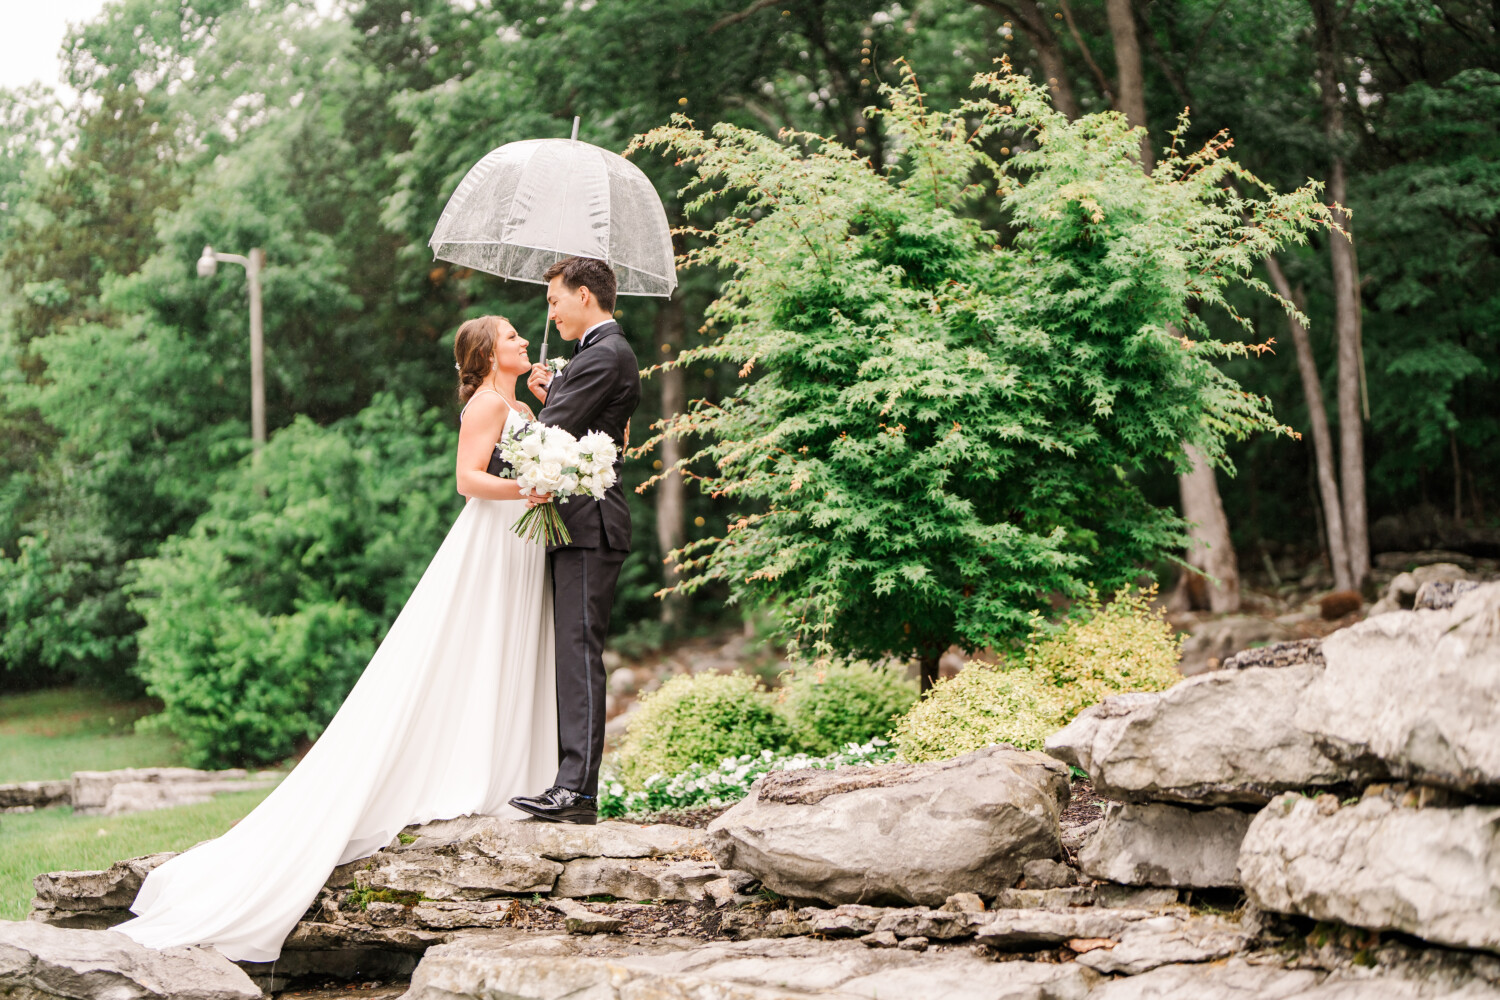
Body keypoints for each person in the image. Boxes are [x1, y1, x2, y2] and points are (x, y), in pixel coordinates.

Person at [113, 315, 558, 963]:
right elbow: (468, 481)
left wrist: (543, 414)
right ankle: (471, 771)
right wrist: (530, 488)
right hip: (490, 543)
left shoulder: (516, 402)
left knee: (508, 652)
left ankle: (511, 769)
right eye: (513, 336)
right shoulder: (486, 404)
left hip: (518, 545)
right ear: (489, 352)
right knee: (472, 651)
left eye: (522, 335)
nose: (524, 342)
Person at [509, 256, 640, 826]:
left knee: (577, 651)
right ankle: (571, 784)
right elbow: (575, 425)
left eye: (555, 300)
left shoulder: (606, 352)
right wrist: (554, 389)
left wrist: (498, 446)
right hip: (578, 521)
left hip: (589, 523)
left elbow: (553, 431)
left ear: (584, 295)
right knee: (570, 650)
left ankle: (577, 792)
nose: (552, 311)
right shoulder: (598, 355)